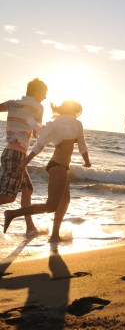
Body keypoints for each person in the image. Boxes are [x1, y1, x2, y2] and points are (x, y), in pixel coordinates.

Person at [3, 100, 91, 241]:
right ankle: (12, 214)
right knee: (51, 206)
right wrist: (87, 161)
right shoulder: (76, 124)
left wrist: (25, 162)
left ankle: (55, 235)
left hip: (56, 166)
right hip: (59, 167)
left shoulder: (57, 124)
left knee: (65, 200)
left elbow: (39, 145)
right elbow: (82, 144)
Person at [0, 78, 48, 237]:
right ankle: (29, 227)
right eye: (44, 93)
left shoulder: (13, 103)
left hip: (11, 153)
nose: (45, 97)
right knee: (8, 197)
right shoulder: (39, 107)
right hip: (16, 154)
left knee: (27, 191)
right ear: (37, 92)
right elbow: (36, 131)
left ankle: (30, 228)